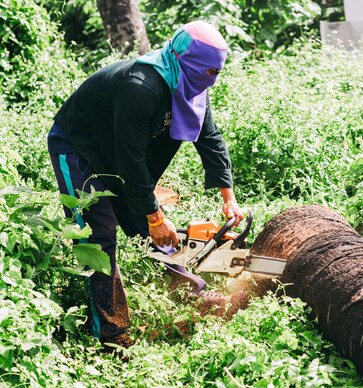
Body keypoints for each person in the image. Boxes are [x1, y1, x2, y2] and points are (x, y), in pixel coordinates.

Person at [47, 21, 244, 350]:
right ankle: (111, 336)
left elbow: (211, 140)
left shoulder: (192, 87)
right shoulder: (140, 85)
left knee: (148, 226)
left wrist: (229, 199)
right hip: (79, 147)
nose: (213, 79)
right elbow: (130, 160)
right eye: (209, 71)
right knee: (99, 237)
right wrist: (154, 215)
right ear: (190, 63)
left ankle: (193, 295)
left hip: (119, 153)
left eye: (216, 73)